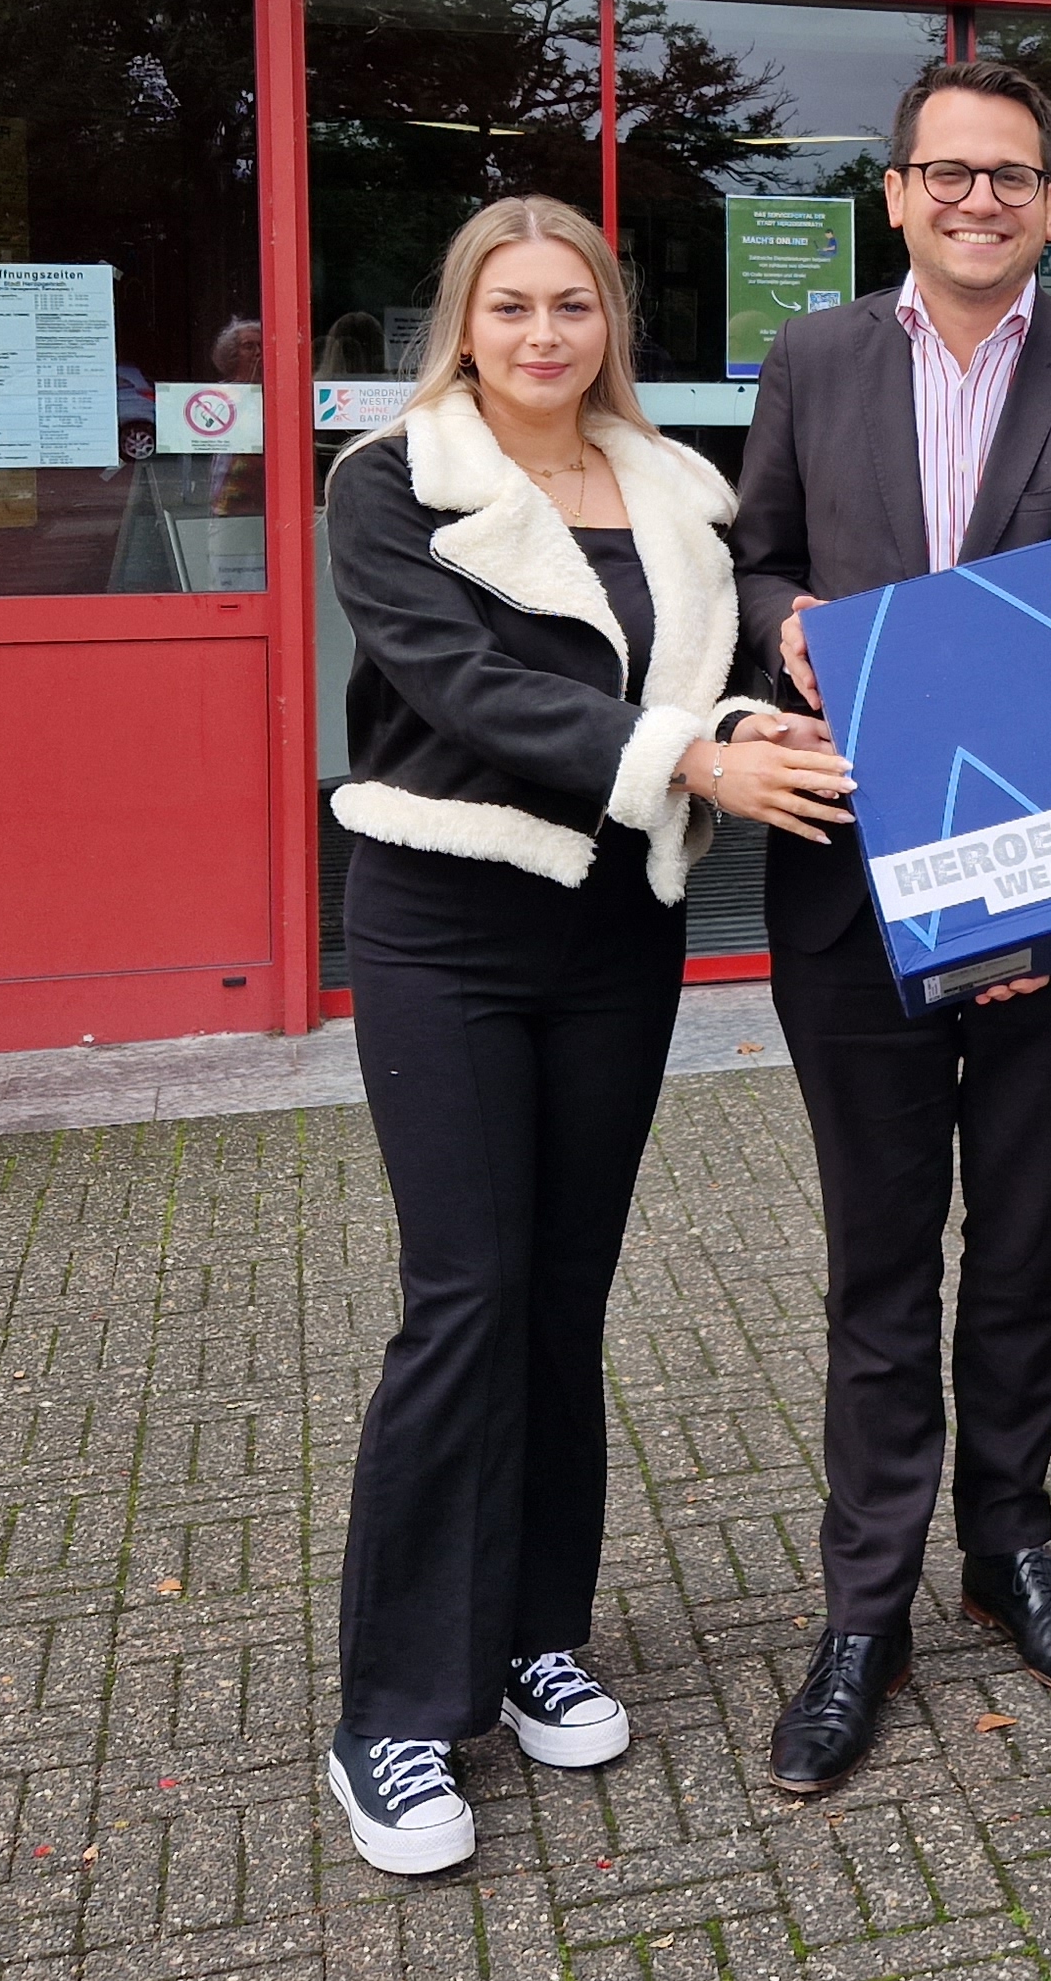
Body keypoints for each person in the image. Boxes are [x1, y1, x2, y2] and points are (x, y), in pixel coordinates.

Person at [318, 194, 853, 1877]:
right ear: (461, 325)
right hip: (448, 922)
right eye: (511, 307)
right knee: (464, 1303)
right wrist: (696, 763)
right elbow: (471, 688)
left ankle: (537, 1632)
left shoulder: (681, 489)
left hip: (614, 936)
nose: (543, 335)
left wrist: (771, 715)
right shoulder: (390, 482)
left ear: (610, 321)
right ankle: (396, 1715)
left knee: (562, 1300)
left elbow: (696, 685)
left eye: (573, 306)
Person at [731, 58, 1051, 1793]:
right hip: (853, 883)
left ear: (1049, 206)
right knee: (878, 1257)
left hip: (1047, 883)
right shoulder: (813, 359)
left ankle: (1009, 1549)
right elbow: (758, 560)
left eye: (1011, 176)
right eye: (948, 174)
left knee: (1018, 1239)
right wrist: (791, 633)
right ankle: (867, 1606)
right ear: (901, 194)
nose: (979, 200)